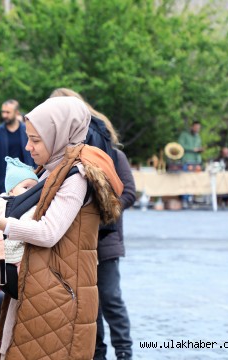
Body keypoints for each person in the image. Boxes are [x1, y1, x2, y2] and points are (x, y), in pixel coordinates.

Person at [0, 97, 123, 359]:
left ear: (59, 135)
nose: (27, 146)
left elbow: (47, 232)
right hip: (42, 287)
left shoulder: (75, 176)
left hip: (59, 295)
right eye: (29, 138)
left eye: (35, 140)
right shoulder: (52, 169)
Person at [94, 149, 136, 360]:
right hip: (79, 243)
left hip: (106, 239)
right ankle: (97, 353)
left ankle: (123, 352)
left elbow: (129, 193)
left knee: (110, 297)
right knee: (89, 303)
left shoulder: (115, 156)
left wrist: (104, 216)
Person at [0, 99, 35, 197]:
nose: (4, 115)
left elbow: (34, 152)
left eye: (8, 112)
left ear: (17, 112)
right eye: (3, 112)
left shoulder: (26, 130)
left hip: (26, 180)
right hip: (3, 181)